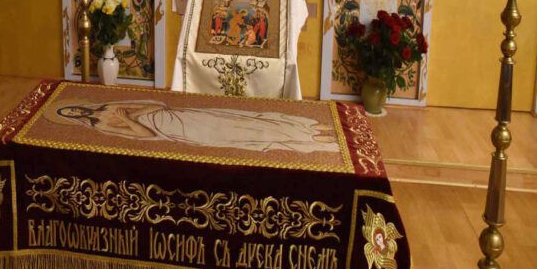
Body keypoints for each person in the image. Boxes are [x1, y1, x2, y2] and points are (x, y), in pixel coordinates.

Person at [53, 100, 339, 154]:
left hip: (182, 114)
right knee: (244, 133)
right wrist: (129, 119)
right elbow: (145, 134)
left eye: (73, 107)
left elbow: (157, 105)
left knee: (246, 120)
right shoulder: (102, 126)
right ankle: (307, 141)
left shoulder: (106, 107)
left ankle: (308, 129)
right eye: (71, 113)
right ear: (76, 119)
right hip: (181, 131)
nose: (76, 110)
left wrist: (134, 112)